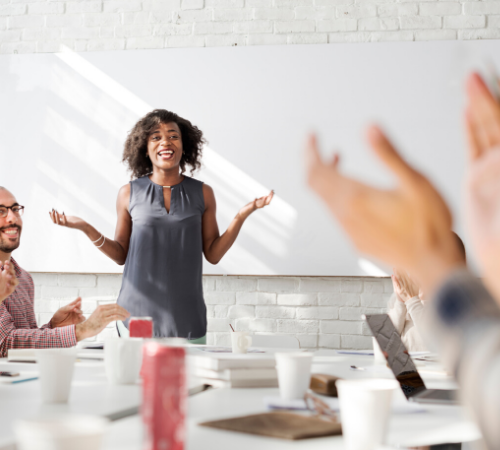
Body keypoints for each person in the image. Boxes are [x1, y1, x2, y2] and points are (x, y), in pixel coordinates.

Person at [305, 72, 500, 449]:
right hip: (414, 387)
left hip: (446, 392)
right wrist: (404, 299)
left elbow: (446, 348)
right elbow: (389, 355)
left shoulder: (458, 301)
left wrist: (425, 288)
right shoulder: (415, 298)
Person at [49, 109, 273, 341]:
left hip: (187, 318)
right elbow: (120, 255)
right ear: (145, 148)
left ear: (184, 145)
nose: (165, 141)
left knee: (187, 378)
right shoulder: (128, 193)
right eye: (156, 137)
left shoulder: (203, 193)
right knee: (140, 376)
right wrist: (86, 227)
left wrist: (242, 215)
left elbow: (213, 255)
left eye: (173, 136)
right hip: (137, 316)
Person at [0, 187, 130, 357]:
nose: (12, 217)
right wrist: (83, 330)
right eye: (1, 211)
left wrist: (53, 326)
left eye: (15, 209)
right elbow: (6, 343)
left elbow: (24, 347)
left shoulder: (24, 278)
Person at [388, 233, 466, 352]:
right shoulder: (401, 300)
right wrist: (400, 303)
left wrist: (412, 301)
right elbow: (381, 353)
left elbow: (437, 346)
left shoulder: (459, 305)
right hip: (403, 371)